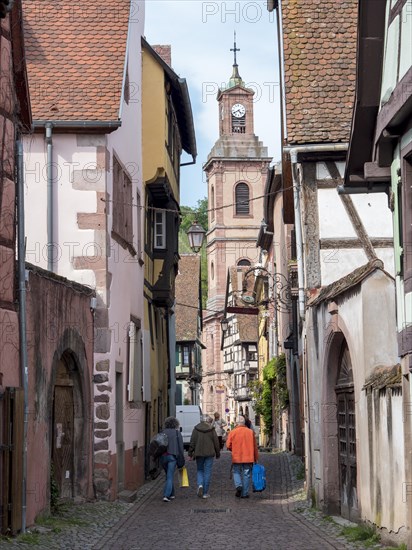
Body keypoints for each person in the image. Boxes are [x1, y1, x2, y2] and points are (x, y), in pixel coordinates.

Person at [226, 415, 258, 499]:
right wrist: (256, 458)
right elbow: (255, 446)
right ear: (244, 423)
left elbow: (228, 445)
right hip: (248, 457)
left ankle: (239, 485)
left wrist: (233, 449)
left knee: (236, 471)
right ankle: (245, 493)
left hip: (237, 456)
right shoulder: (250, 432)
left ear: (236, 423)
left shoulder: (232, 432)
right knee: (246, 474)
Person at [188, 414, 220, 499]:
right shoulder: (211, 430)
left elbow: (192, 442)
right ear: (208, 421)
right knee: (208, 471)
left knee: (200, 470)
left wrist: (190, 453)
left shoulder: (196, 429)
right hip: (209, 453)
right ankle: (205, 493)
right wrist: (218, 453)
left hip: (199, 453)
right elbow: (216, 442)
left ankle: (200, 485)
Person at [160, 416, 185, 502]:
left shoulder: (163, 432)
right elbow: (181, 447)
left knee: (168, 475)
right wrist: (181, 458)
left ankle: (172, 494)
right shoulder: (177, 433)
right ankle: (166, 495)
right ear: (175, 424)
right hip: (172, 457)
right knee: (170, 476)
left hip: (163, 457)